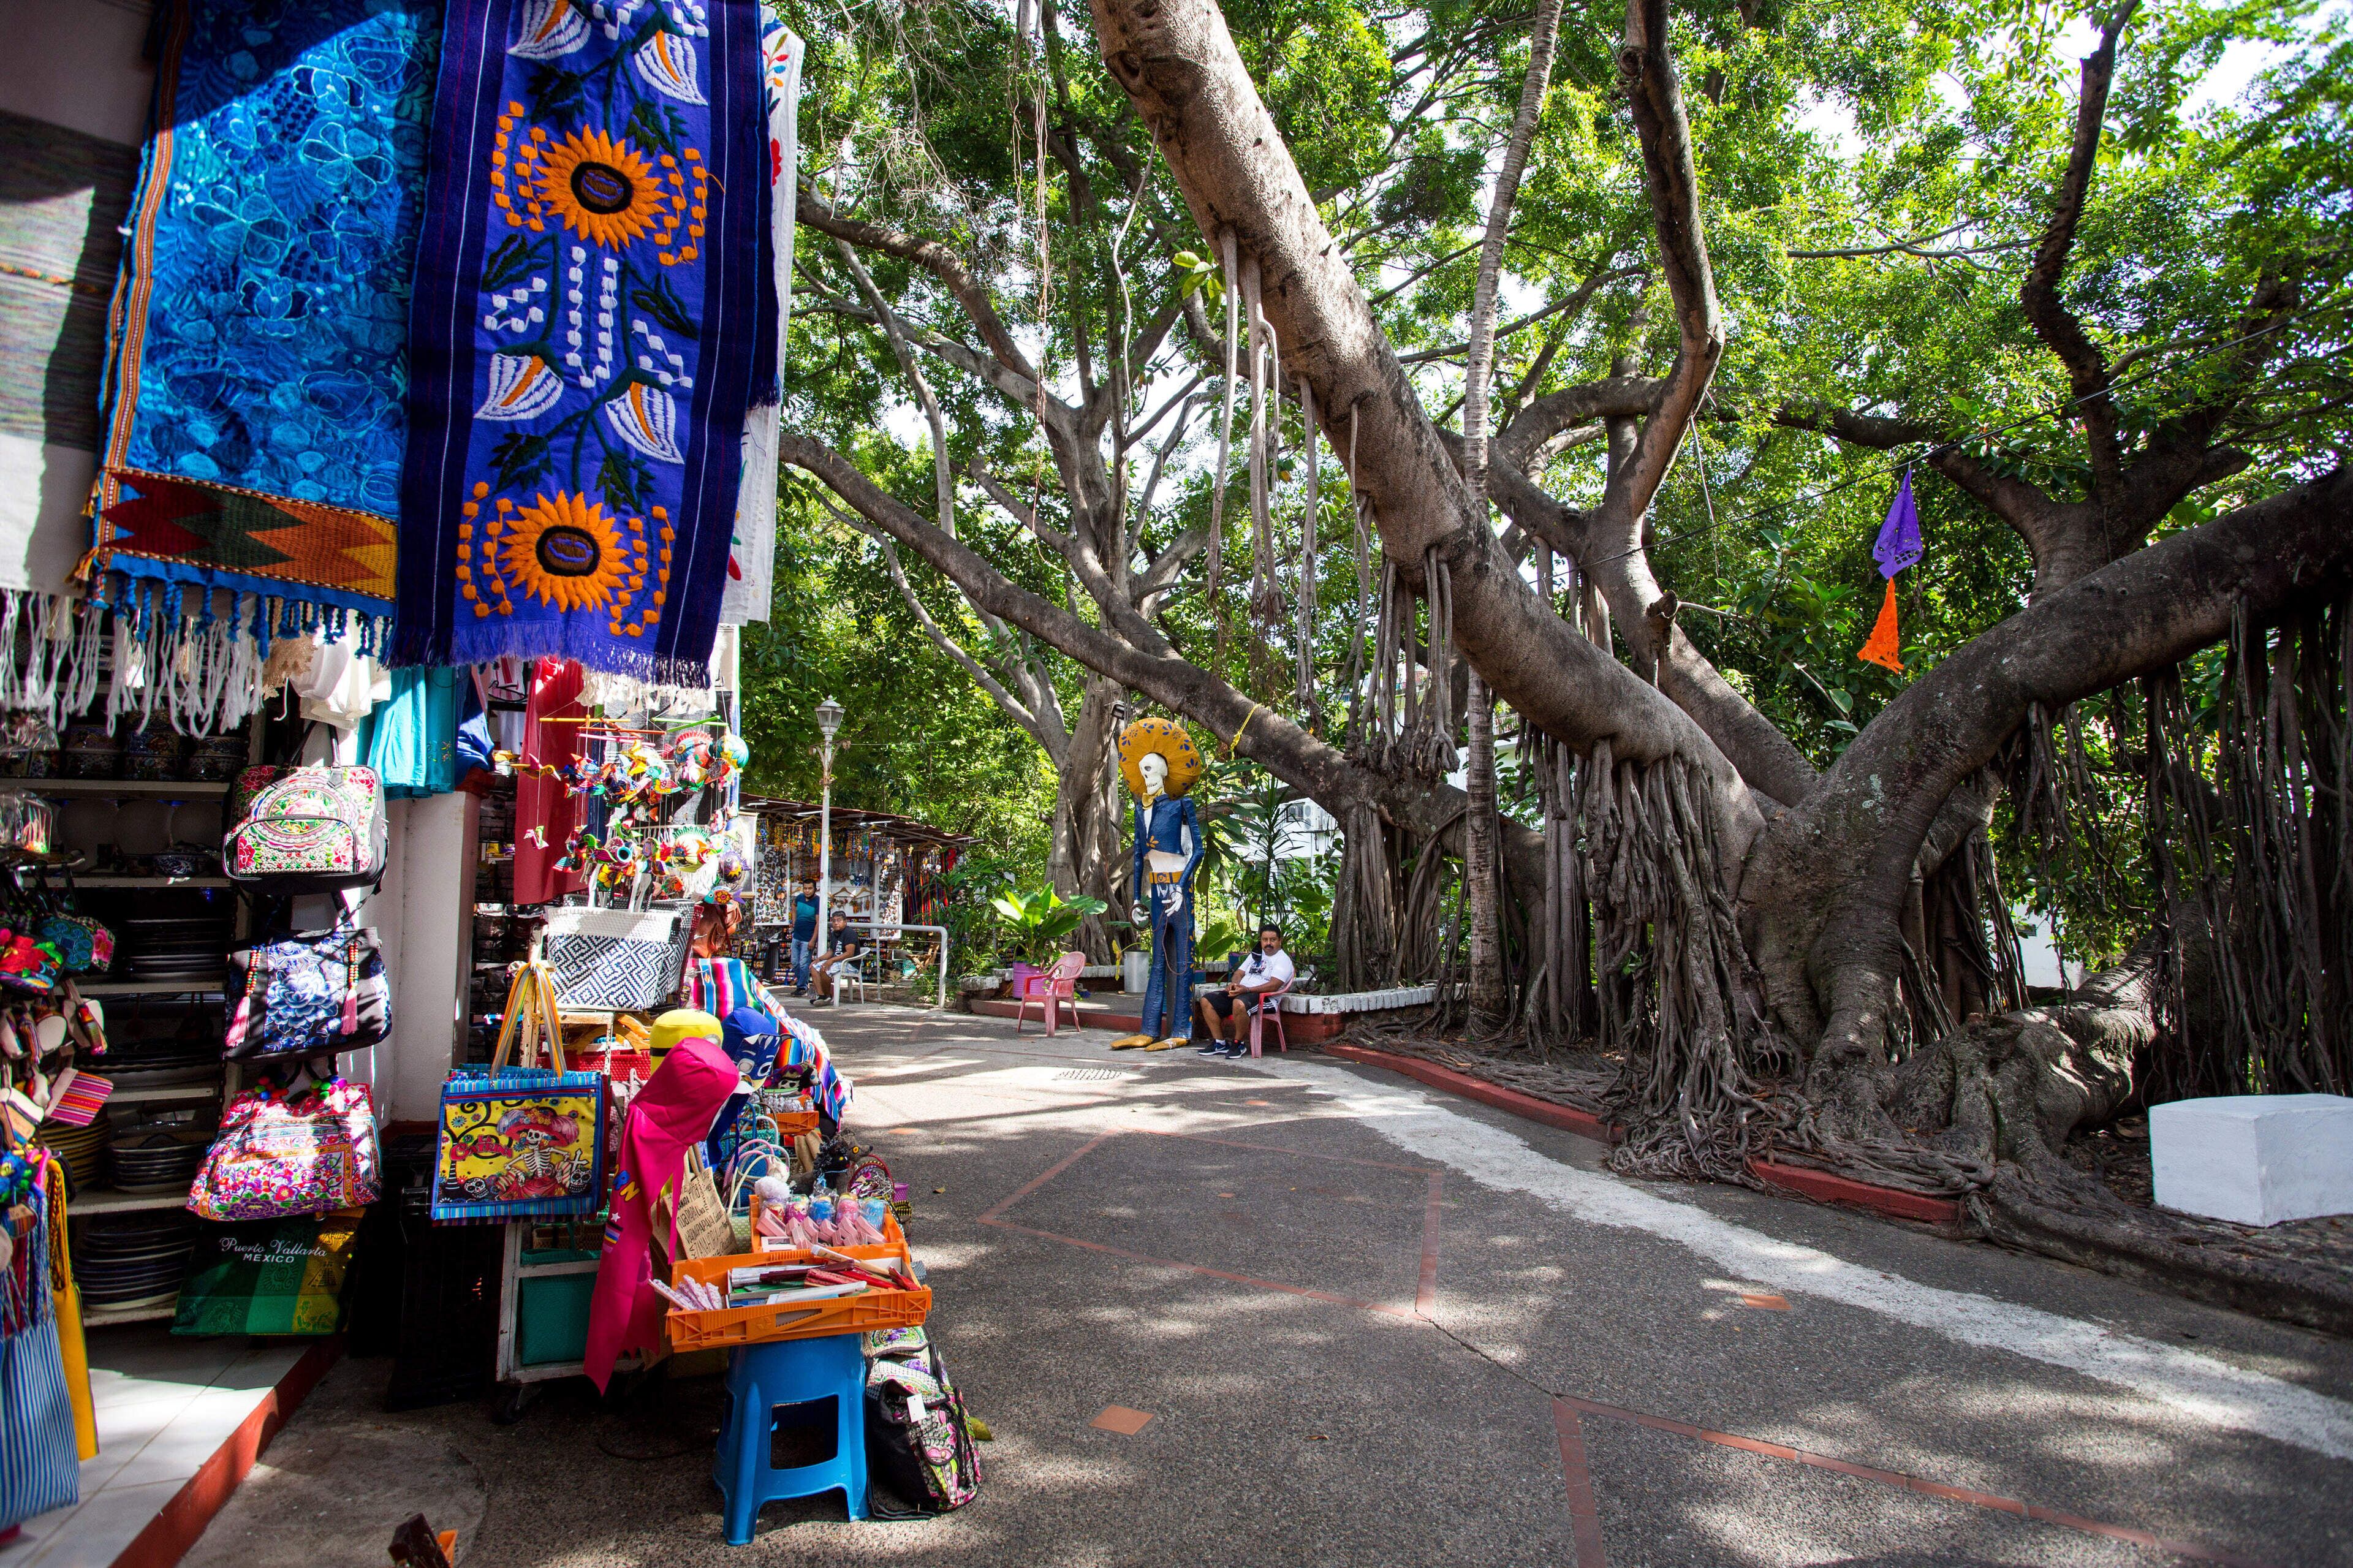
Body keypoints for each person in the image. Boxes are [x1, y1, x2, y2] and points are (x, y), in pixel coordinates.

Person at [1196, 923, 1294, 1058]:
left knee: (1239, 1004)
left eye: (1273, 940)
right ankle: (1220, 1043)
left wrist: (1247, 989)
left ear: (1280, 941)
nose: (1268, 943)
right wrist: (1234, 984)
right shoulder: (1256, 954)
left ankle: (1239, 1044)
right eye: (1265, 940)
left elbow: (1274, 986)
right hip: (1243, 992)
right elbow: (1239, 973)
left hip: (1265, 999)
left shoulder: (1283, 960)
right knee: (1207, 1001)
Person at [809, 910, 867, 1002]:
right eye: (834, 921)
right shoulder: (834, 934)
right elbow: (832, 951)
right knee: (814, 967)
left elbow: (849, 953)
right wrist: (819, 959)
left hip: (850, 964)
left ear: (845, 922)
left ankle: (828, 995)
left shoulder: (850, 933)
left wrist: (831, 961)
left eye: (839, 920)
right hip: (837, 961)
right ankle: (821, 996)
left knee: (825, 969)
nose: (836, 923)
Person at [789, 880, 819, 995]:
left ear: (815, 889)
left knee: (803, 964)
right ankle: (803, 982)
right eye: (805, 888)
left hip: (808, 938)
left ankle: (802, 987)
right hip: (797, 936)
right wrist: (794, 920)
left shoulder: (817, 902)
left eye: (810, 888)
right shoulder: (800, 898)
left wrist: (813, 940)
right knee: (795, 962)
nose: (807, 891)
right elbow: (794, 905)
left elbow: (818, 923)